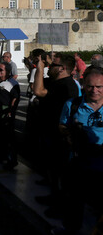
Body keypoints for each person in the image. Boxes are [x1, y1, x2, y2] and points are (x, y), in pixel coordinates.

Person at [53, 67, 103, 235]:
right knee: (74, 199)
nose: (94, 90)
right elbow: (62, 125)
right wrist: (68, 134)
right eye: (90, 86)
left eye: (99, 86)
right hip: (78, 161)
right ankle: (70, 229)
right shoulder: (72, 104)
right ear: (83, 85)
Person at [32, 53, 79, 210]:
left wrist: (39, 68)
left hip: (59, 136)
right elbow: (37, 88)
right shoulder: (56, 82)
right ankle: (54, 196)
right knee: (53, 169)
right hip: (50, 132)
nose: (49, 67)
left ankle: (60, 204)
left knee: (60, 172)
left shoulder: (67, 86)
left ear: (62, 69)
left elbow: (38, 91)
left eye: (53, 66)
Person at [0, 62, 21, 170]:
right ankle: (0, 155)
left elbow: (15, 98)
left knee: (8, 137)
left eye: (1, 70)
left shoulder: (12, 83)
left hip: (6, 113)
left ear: (7, 71)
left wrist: (10, 111)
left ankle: (11, 159)